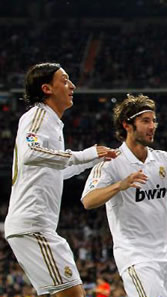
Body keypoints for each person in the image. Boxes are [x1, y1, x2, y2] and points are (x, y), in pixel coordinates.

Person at [4, 62, 116, 297]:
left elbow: (56, 171)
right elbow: (30, 153)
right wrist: (86, 154)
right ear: (47, 88)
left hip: (34, 226)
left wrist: (94, 158)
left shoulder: (53, 123)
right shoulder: (37, 115)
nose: (72, 85)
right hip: (33, 225)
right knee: (73, 294)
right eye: (64, 80)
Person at [81, 94, 167, 297]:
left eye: (154, 120)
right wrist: (120, 185)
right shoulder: (111, 163)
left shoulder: (164, 160)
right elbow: (88, 200)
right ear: (127, 125)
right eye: (145, 121)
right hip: (136, 258)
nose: (152, 126)